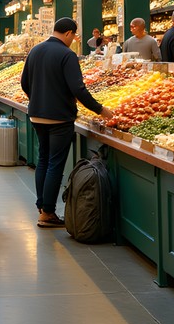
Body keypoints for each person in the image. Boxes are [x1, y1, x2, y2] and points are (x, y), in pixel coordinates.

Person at [21, 18, 114, 228]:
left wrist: (38, 100)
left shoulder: (35, 51)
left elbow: (24, 82)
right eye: (74, 36)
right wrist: (100, 109)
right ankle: (48, 212)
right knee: (55, 163)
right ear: (69, 33)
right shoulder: (67, 54)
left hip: (36, 115)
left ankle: (41, 206)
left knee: (43, 159)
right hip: (59, 117)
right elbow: (78, 89)